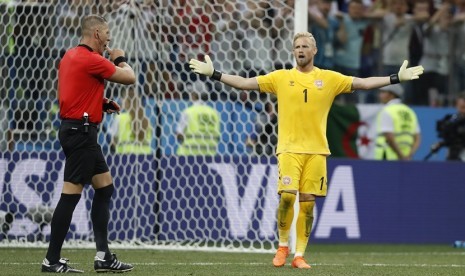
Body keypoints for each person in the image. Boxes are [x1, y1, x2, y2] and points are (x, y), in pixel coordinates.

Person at [189, 31, 424, 269]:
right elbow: (244, 83)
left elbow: (362, 83)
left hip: (317, 151)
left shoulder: (330, 79)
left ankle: (299, 255)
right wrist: (215, 74)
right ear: (293, 51)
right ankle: (282, 247)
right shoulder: (280, 77)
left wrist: (395, 78)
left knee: (308, 204)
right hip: (289, 148)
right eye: (297, 46)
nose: (300, 50)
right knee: (288, 197)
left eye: (305, 46)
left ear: (314, 51)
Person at [41, 15, 136, 273]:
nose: (109, 39)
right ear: (95, 34)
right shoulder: (94, 59)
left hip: (77, 130)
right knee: (70, 196)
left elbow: (75, 91)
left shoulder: (69, 56)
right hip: (81, 133)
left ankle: (103, 256)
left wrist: (100, 103)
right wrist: (120, 58)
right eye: (106, 34)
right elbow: (130, 78)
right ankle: (51, 259)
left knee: (104, 188)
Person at [374, 84, 421, 160]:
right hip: (406, 158)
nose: (380, 95)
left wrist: (401, 156)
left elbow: (389, 137)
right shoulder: (410, 112)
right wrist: (409, 155)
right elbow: (418, 138)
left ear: (392, 94)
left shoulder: (387, 111)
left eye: (383, 92)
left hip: (387, 158)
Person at [176, 81, 220, 156]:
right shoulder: (214, 113)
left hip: (187, 155)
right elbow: (217, 136)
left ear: (194, 95)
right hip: (209, 155)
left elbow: (179, 134)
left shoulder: (188, 111)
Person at [109, 88, 153, 155]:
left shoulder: (120, 118)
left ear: (127, 101)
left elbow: (113, 142)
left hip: (125, 157)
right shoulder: (147, 120)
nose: (121, 101)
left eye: (122, 98)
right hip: (146, 156)